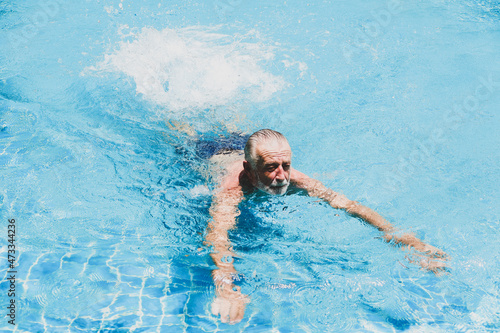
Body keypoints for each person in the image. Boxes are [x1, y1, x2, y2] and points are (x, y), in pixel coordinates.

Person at [204, 129, 449, 324]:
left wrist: (406, 241)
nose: (282, 177)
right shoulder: (231, 192)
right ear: (248, 169)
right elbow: (218, 236)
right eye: (271, 168)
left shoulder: (297, 180)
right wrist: (226, 285)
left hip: (242, 144)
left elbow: (349, 205)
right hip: (206, 151)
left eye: (286, 166)